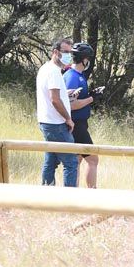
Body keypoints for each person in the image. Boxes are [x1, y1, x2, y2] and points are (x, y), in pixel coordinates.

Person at [36, 37, 79, 187]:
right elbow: (54, 99)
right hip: (56, 123)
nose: (69, 56)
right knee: (71, 163)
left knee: (51, 160)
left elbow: (53, 96)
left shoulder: (45, 68)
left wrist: (66, 95)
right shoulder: (54, 72)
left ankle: (46, 194)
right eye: (65, 52)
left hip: (46, 121)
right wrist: (68, 118)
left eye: (70, 53)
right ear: (55, 52)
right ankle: (68, 201)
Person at [63, 42, 101, 189]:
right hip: (77, 124)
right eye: (88, 59)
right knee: (93, 160)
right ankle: (91, 194)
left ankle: (75, 192)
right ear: (84, 59)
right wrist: (92, 98)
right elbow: (71, 105)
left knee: (77, 159)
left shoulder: (77, 75)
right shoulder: (73, 77)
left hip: (80, 123)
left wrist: (91, 94)